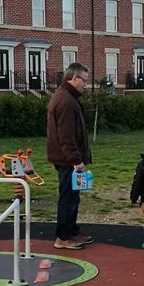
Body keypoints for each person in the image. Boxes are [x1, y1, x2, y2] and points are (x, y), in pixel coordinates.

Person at [45, 62, 93, 250]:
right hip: (67, 159)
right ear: (74, 78)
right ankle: (63, 237)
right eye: (84, 81)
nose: (85, 85)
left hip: (66, 158)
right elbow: (66, 136)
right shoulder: (65, 100)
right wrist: (76, 161)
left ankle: (71, 231)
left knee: (73, 197)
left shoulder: (67, 97)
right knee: (68, 198)